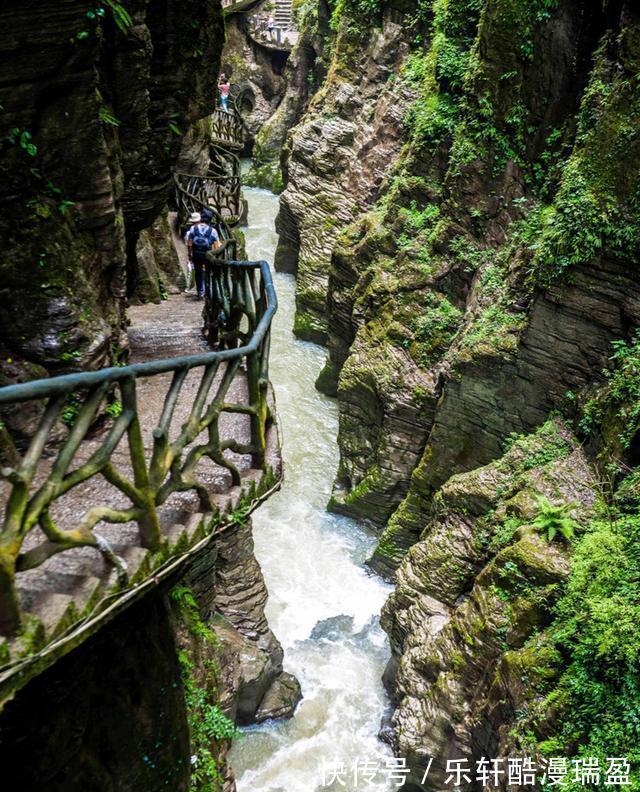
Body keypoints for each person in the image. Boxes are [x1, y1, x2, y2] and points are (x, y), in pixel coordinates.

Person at [185, 211, 220, 299]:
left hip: (196, 254)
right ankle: (208, 291)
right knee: (208, 272)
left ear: (201, 218)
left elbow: (189, 244)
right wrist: (215, 258)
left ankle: (200, 292)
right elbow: (216, 247)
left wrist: (190, 255)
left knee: (198, 273)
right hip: (207, 255)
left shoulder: (193, 229)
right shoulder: (213, 231)